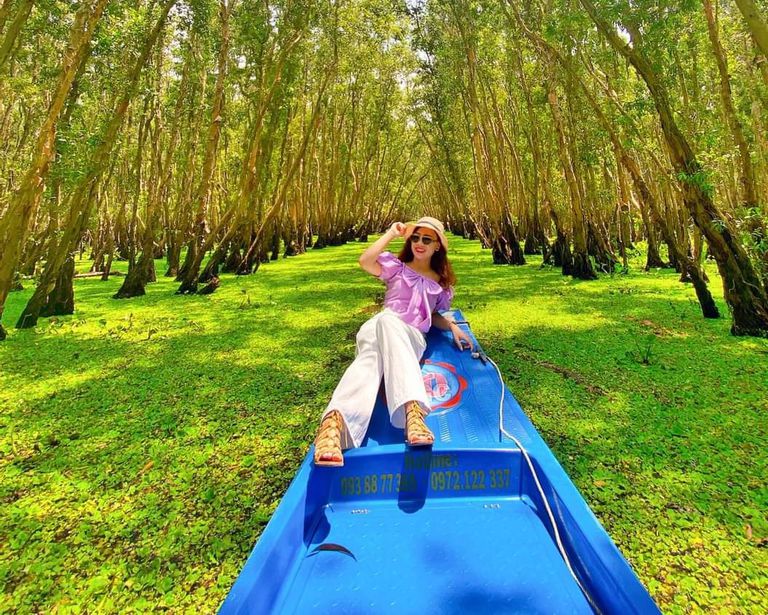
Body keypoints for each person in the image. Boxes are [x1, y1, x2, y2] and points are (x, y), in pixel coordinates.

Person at [313, 216, 475, 467]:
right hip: (380, 324)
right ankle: (412, 413)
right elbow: (365, 261)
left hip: (410, 333)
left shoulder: (440, 284)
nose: (419, 243)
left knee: (370, 357)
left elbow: (432, 315)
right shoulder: (397, 268)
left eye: (427, 239)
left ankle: (333, 427)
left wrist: (452, 326)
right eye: (415, 238)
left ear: (437, 246)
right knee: (384, 322)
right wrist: (391, 233)